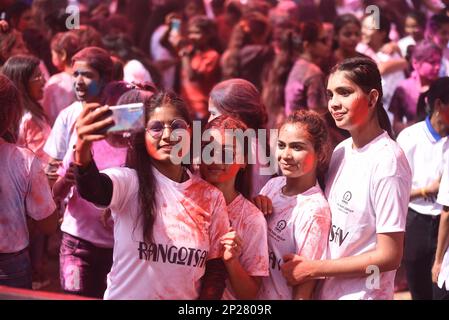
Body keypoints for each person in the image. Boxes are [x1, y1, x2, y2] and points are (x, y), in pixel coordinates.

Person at [73, 90, 230, 299]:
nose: (167, 135)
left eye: (177, 126)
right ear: (143, 136)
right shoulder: (129, 183)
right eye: (156, 127)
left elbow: (215, 269)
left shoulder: (211, 197)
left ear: (190, 132)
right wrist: (82, 147)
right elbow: (93, 189)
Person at [280, 57, 412, 300]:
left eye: (344, 93)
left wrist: (313, 269)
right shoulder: (341, 150)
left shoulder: (388, 161)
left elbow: (390, 255)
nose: (334, 104)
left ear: (372, 98)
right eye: (330, 95)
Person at [254, 110, 332, 300]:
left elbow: (304, 288)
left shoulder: (315, 211)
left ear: (320, 153)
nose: (286, 155)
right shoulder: (273, 185)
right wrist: (254, 208)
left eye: (297, 147)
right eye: (281, 145)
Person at [199, 115, 269, 300]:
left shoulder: (252, 219)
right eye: (208, 149)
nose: (214, 158)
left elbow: (250, 294)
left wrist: (231, 261)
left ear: (244, 161)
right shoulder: (182, 198)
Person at [0, 74, 57, 289]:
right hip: (10, 266)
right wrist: (54, 191)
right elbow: (48, 224)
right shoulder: (23, 160)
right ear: (11, 113)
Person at [397, 77, 449, 300]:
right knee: (419, 291)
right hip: (416, 221)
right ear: (439, 105)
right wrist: (427, 190)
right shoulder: (410, 138)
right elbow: (395, 193)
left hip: (445, 225)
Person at [208, 78, 271, 197]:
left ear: (234, 116)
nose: (209, 120)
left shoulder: (249, 149)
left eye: (213, 114)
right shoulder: (257, 143)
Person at [389, 40, 442, 135]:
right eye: (432, 62)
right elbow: (396, 125)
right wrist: (418, 126)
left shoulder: (443, 87)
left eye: (439, 62)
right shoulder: (403, 88)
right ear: (415, 63)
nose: (437, 67)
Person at [284, 21, 331, 116]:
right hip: (304, 128)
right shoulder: (313, 73)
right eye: (323, 40)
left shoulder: (299, 64)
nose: (328, 44)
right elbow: (317, 116)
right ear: (307, 45)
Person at [179, 15, 221, 121]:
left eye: (197, 33)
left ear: (208, 35)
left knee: (197, 137)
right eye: (190, 33)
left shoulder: (212, 55)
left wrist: (185, 57)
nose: (192, 36)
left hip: (200, 110)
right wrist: (173, 26)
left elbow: (192, 77)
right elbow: (165, 43)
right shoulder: (190, 51)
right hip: (185, 107)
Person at [42, 31, 81, 126]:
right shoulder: (87, 76)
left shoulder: (56, 82)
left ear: (62, 54)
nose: (52, 57)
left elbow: (49, 115)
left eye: (53, 54)